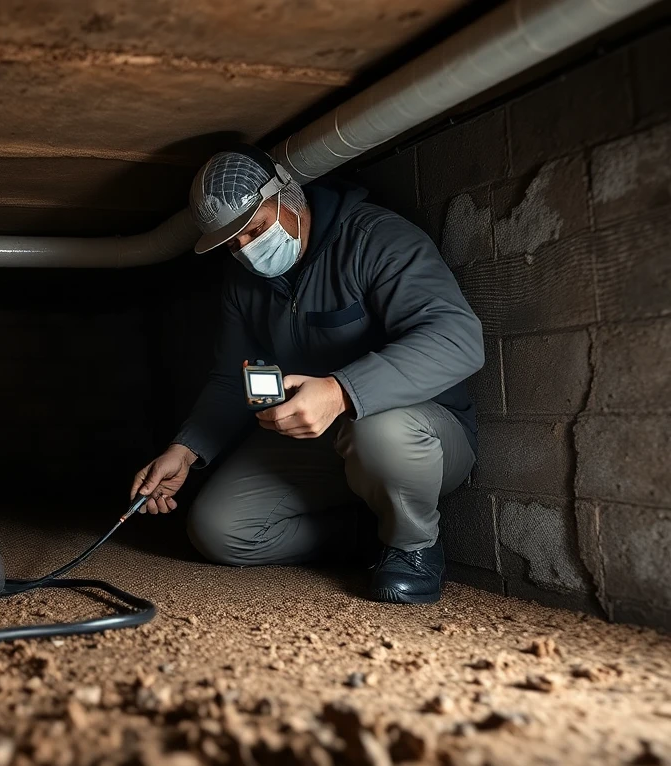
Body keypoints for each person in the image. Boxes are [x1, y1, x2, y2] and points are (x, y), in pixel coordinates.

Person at [132, 144, 484, 604]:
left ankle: (412, 546)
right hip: (316, 439)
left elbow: (458, 338)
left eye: (254, 230)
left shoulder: (375, 238)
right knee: (219, 530)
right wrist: (186, 448)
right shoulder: (244, 282)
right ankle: (370, 533)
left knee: (378, 430)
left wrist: (341, 391)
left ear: (289, 198)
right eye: (232, 244)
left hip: (418, 438)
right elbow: (233, 376)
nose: (246, 250)